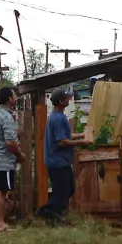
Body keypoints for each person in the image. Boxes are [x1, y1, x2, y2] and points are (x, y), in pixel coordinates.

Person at [35, 88, 87, 225]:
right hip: (57, 161)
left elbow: (65, 136)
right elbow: (62, 142)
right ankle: (49, 213)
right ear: (60, 101)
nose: (69, 99)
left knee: (68, 189)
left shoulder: (58, 116)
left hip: (60, 161)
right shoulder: (57, 119)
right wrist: (82, 142)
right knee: (62, 191)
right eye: (66, 98)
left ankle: (49, 213)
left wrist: (81, 135)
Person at [0, 87, 25, 231]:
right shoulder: (6, 116)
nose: (15, 98)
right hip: (3, 158)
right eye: (14, 96)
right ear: (10, 99)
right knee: (2, 191)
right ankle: (0, 223)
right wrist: (20, 156)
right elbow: (10, 143)